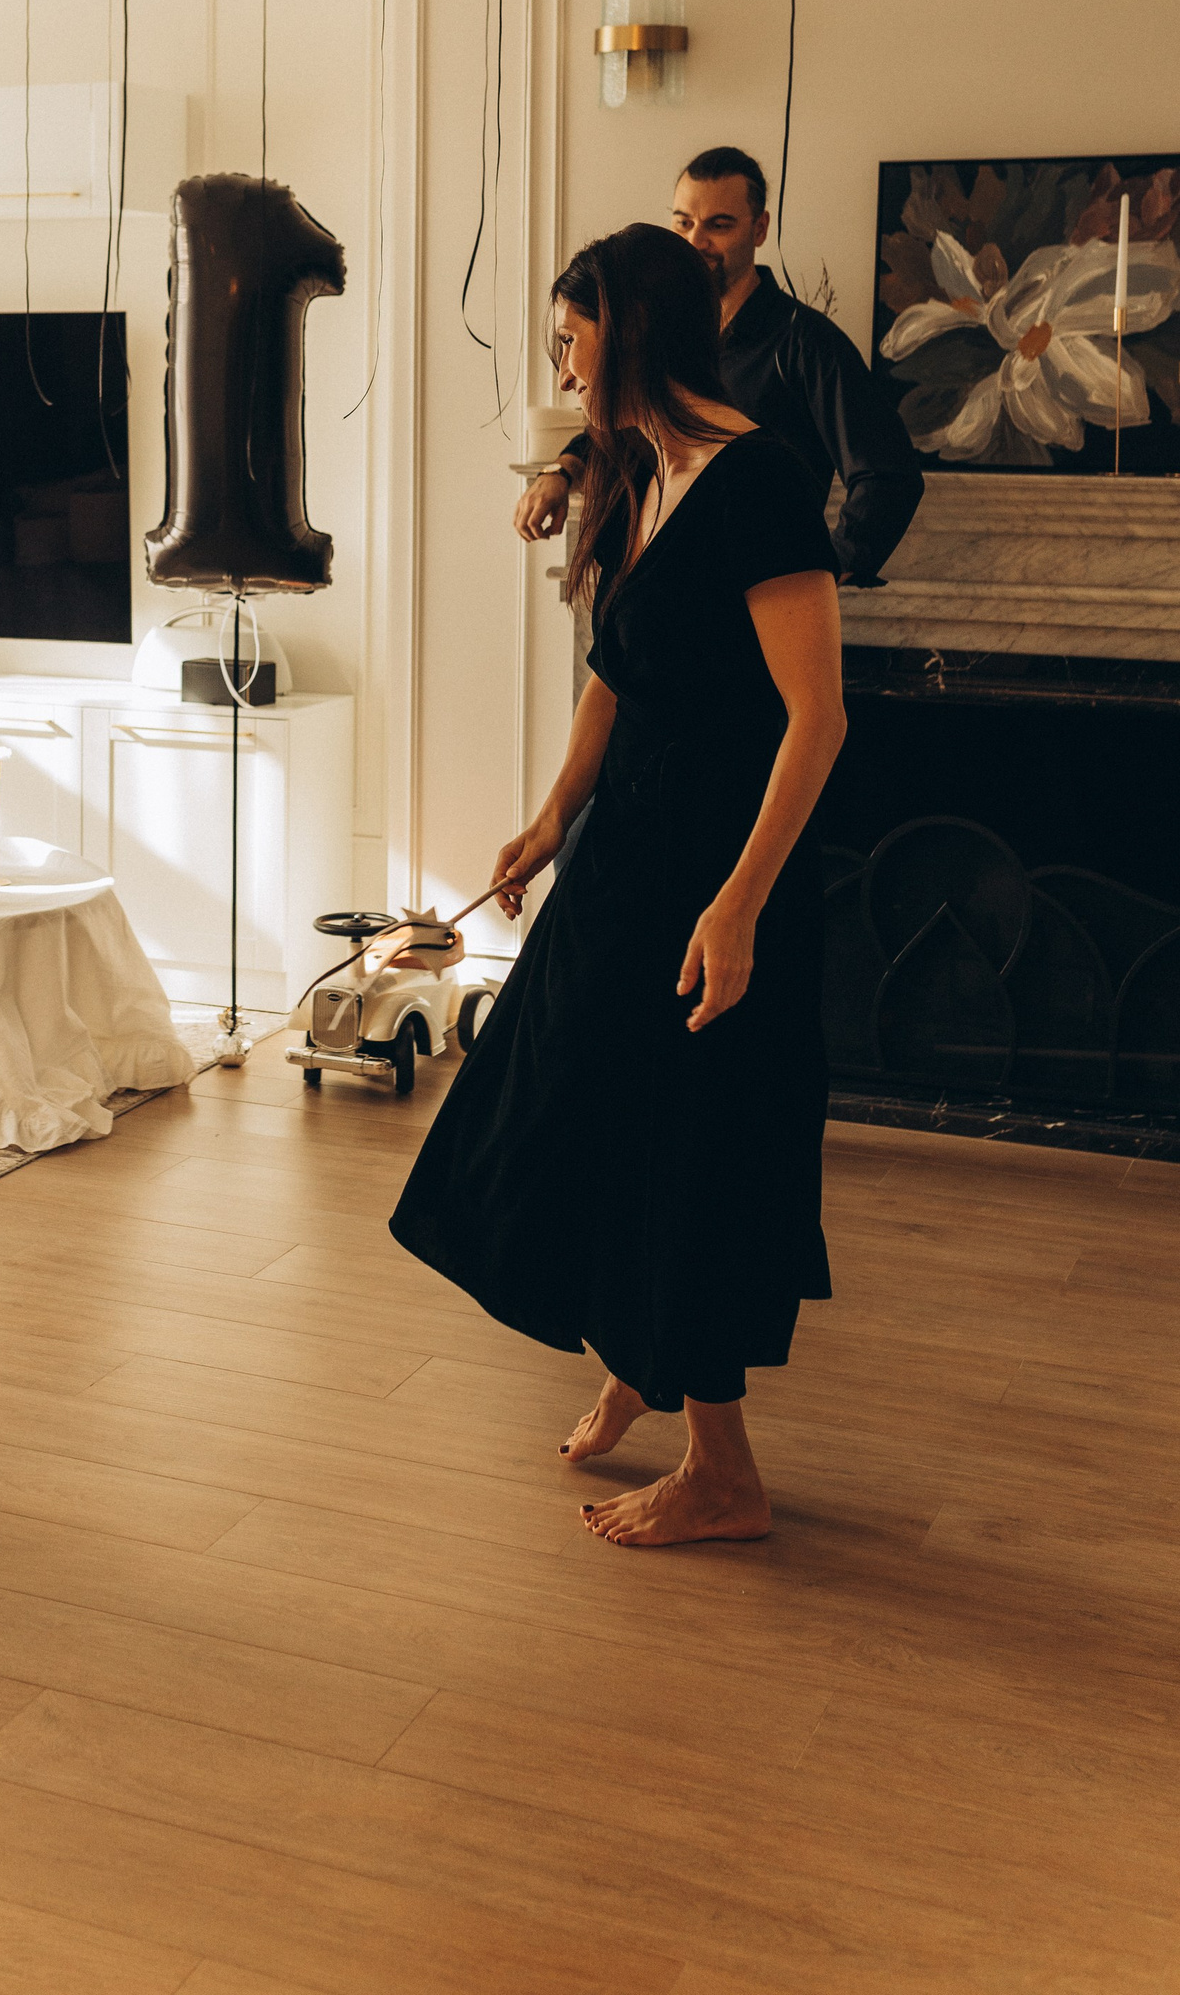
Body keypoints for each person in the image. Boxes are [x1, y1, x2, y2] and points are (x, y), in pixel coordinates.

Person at [392, 223, 847, 1548]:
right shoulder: (640, 471)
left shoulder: (762, 483)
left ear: (631, 330)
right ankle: (637, 1357)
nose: (563, 367)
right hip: (624, 861)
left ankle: (724, 1473)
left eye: (571, 340)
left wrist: (740, 903)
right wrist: (549, 818)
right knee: (555, 1104)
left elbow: (816, 721)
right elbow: (619, 670)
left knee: (684, 1148)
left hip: (718, 876)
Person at [517, 146, 922, 586]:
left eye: (719, 225)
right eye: (683, 223)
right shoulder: (659, 336)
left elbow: (888, 474)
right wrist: (561, 471)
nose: (695, 242)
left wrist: (820, 572)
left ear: (760, 227)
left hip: (755, 594)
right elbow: (626, 418)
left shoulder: (807, 342)